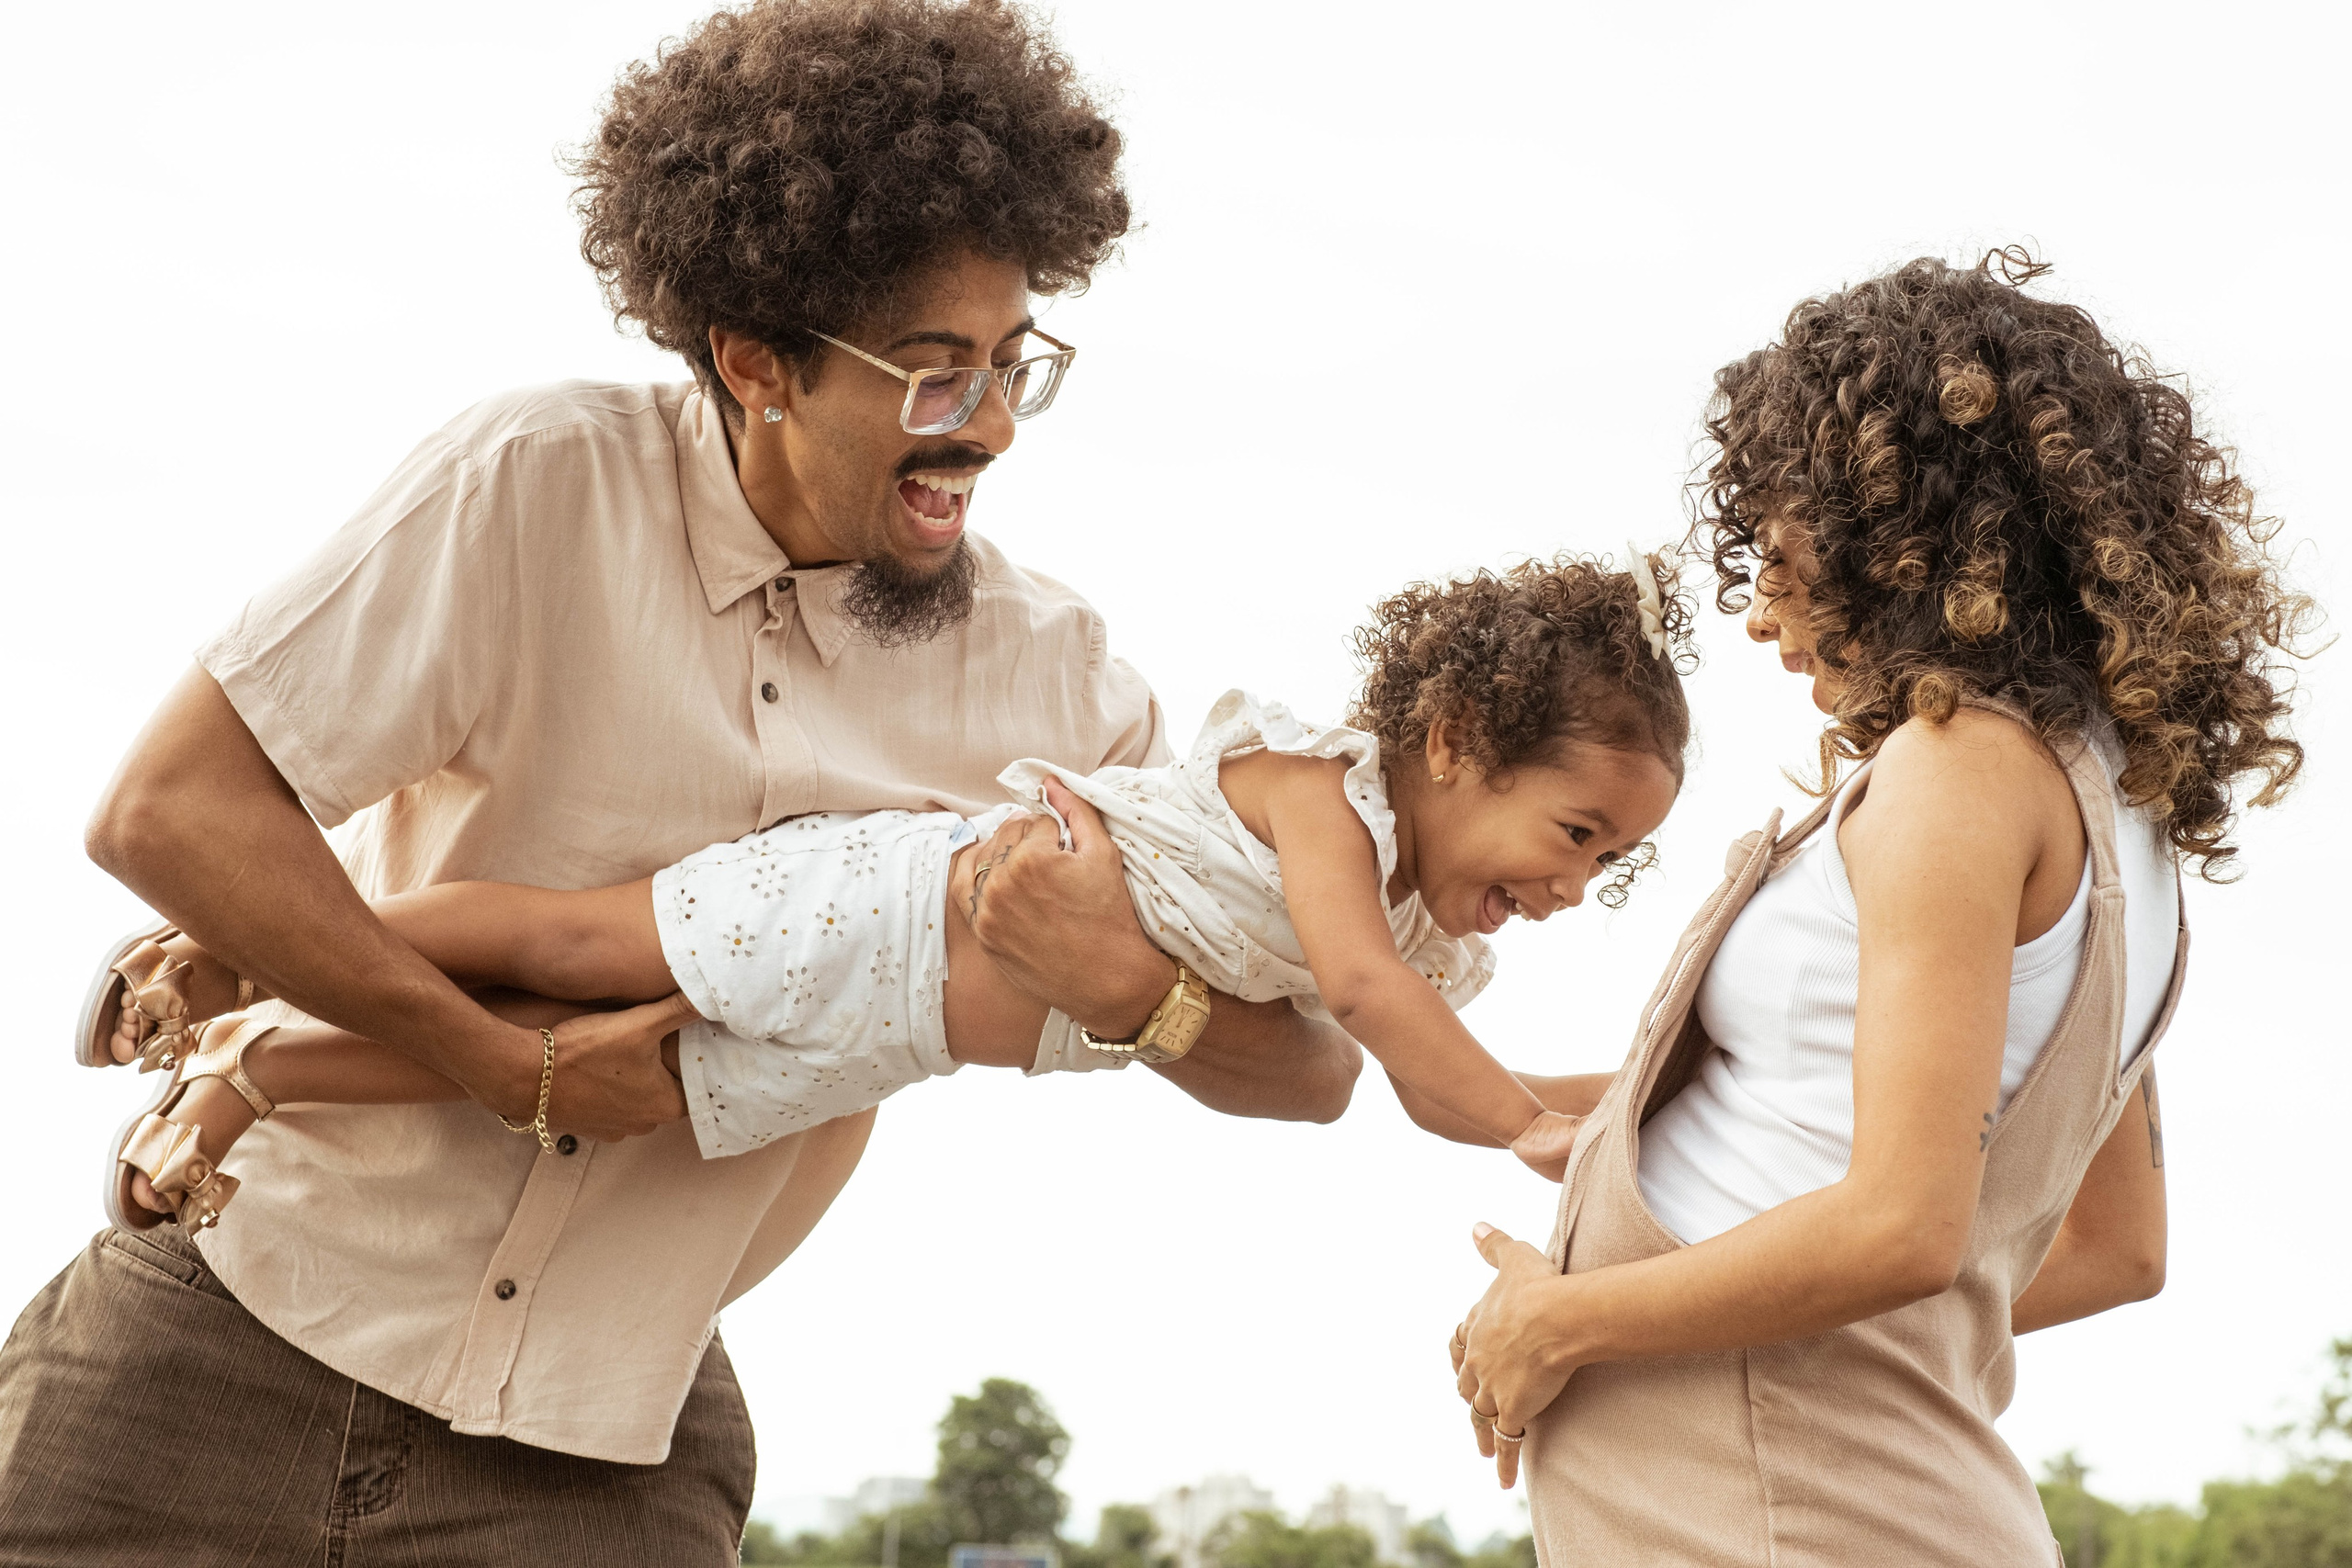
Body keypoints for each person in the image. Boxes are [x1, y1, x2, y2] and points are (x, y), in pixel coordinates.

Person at [0, 3, 1363, 1562]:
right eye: (932, 373)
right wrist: (490, 1059)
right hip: (206, 1349)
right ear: (753, 360)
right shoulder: (534, 483)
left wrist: (1136, 990)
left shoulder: (1051, 683)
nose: (985, 426)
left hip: (606, 1457)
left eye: (1013, 365)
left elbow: (1314, 1069)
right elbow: (169, 811)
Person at [1447, 251, 2313, 1563]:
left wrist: (1564, 1320)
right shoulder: (2108, 809)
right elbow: (2113, 1246)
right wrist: (1622, 1134)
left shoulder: (1958, 776)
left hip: (1793, 1520)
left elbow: (1902, 1225)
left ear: (1902, 537)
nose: (1760, 611)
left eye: (1784, 553)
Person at [87, 555, 1691, 1230]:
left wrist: (1629, 1098)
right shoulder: (1325, 794)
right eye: (1573, 833)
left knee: (568, 1077)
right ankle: (239, 951)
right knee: (565, 940)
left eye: (1612, 867)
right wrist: (1526, 1121)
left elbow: (1410, 1089)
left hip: (896, 1039)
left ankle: (252, 1077)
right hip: (887, 910)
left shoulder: (1438, 964)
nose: (1575, 886)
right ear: (1453, 742)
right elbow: (1360, 1007)